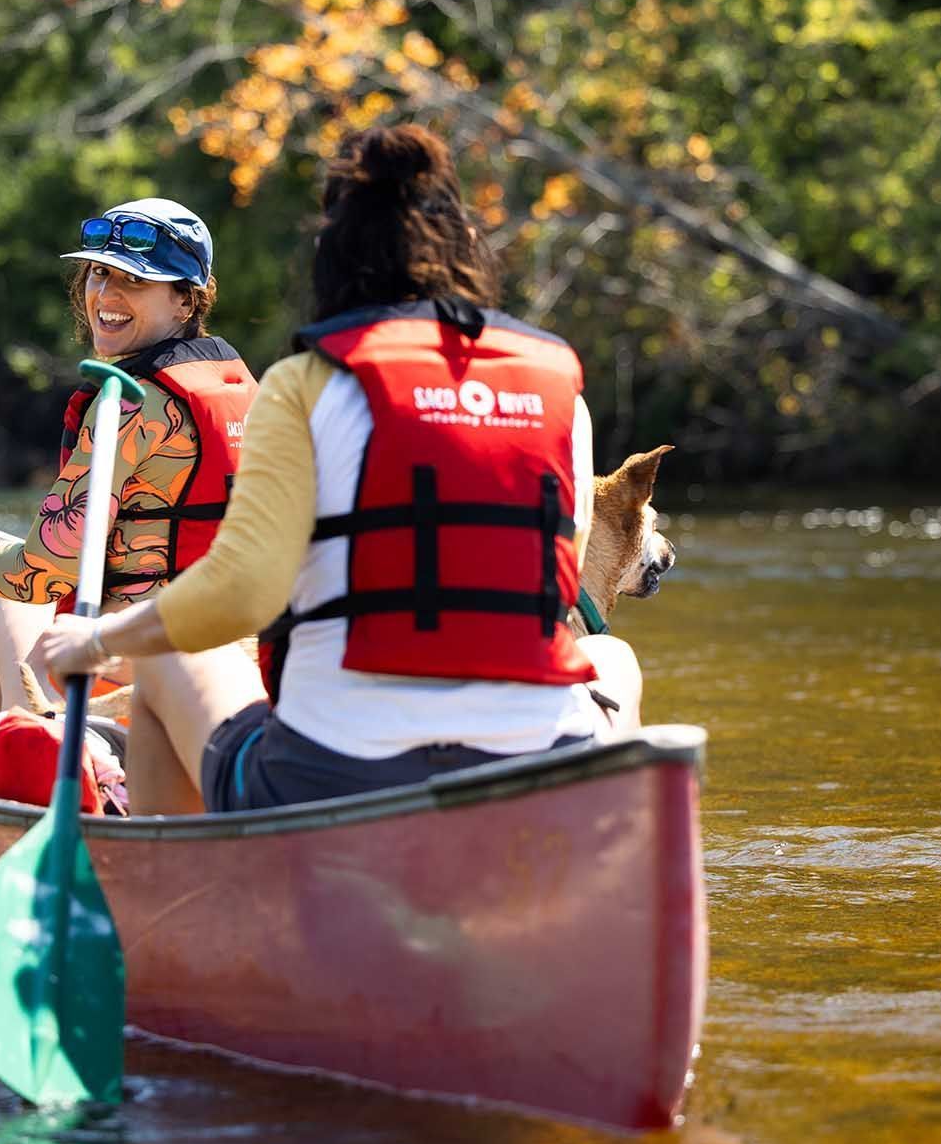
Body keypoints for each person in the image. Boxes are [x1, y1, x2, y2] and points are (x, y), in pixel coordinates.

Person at [31, 124, 645, 814]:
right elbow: (558, 587)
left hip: (339, 773)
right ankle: (587, 824)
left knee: (166, 656)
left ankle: (167, 881)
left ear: (336, 254)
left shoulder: (305, 383)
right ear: (470, 250)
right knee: (614, 661)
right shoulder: (564, 386)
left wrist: (99, 639)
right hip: (535, 759)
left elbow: (241, 593)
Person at [0, 198, 258, 733]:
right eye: (99, 272)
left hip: (143, 650)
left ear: (185, 300)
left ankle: (51, 744)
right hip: (239, 649)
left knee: (10, 603)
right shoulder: (241, 386)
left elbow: (37, 575)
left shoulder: (127, 403)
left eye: (135, 280)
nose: (107, 294)